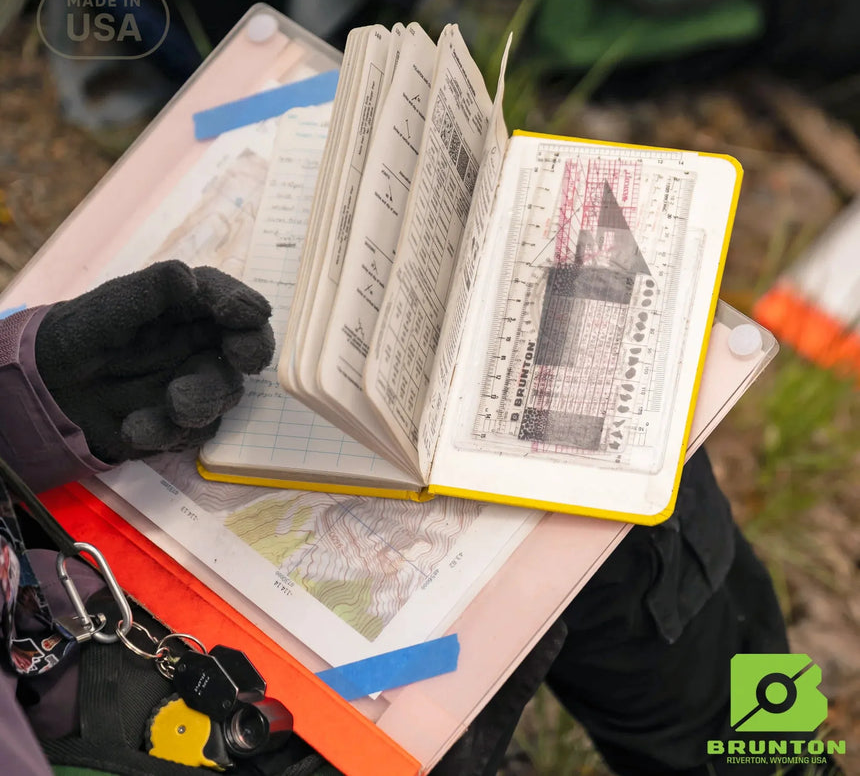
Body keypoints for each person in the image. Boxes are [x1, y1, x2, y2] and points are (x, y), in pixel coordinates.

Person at [0, 261, 840, 776]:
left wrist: (36, 393)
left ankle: (779, 753)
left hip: (70, 575)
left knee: (637, 461)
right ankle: (782, 754)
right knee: (620, 497)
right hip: (141, 719)